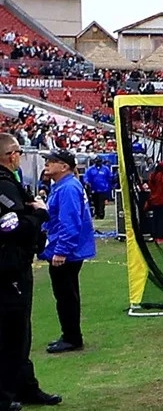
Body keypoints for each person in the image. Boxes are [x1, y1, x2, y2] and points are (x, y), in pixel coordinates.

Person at [0, 133, 62, 410]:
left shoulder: (10, 183)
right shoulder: (3, 185)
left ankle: (25, 388)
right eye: (18, 154)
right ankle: (4, 397)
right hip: (7, 269)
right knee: (10, 334)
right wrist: (38, 214)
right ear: (11, 155)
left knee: (21, 332)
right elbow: (9, 226)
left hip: (15, 266)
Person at [38, 150, 96, 354]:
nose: (46, 164)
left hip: (67, 251)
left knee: (66, 295)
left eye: (51, 161)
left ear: (64, 166)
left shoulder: (68, 188)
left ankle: (72, 337)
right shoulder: (64, 186)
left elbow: (69, 222)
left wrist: (61, 250)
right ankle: (70, 335)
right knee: (66, 294)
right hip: (69, 249)